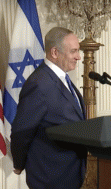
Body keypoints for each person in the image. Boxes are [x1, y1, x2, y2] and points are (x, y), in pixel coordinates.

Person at [11, 27, 87, 189]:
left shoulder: (61, 79)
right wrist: (19, 163)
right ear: (54, 52)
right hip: (50, 178)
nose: (78, 57)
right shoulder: (39, 84)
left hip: (69, 174)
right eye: (73, 51)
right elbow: (21, 131)